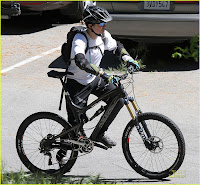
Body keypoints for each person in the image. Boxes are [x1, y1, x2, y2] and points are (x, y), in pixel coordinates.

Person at [66, 6, 140, 148]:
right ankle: (60, 154)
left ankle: (99, 134)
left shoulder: (103, 36)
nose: (104, 26)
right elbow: (81, 61)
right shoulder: (80, 39)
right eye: (101, 24)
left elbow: (116, 47)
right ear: (90, 25)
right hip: (76, 83)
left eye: (105, 23)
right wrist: (103, 74)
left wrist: (128, 59)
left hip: (94, 80)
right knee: (76, 130)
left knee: (118, 98)